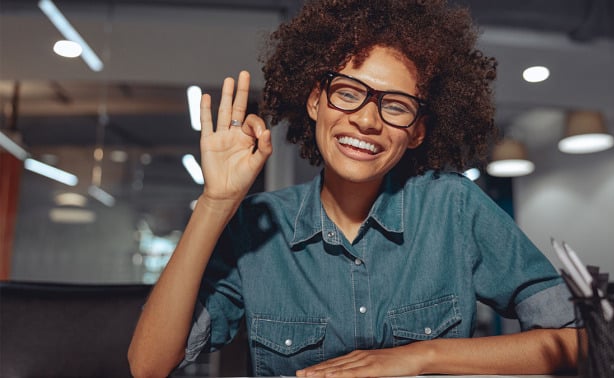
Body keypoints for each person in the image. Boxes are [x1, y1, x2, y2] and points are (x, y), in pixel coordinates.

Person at [128, 0, 578, 376]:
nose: (366, 119)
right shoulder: (255, 227)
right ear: (315, 100)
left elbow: (576, 339)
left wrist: (421, 356)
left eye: (396, 106)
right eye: (348, 92)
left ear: (417, 131)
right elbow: (149, 366)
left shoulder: (454, 207)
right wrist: (215, 203)